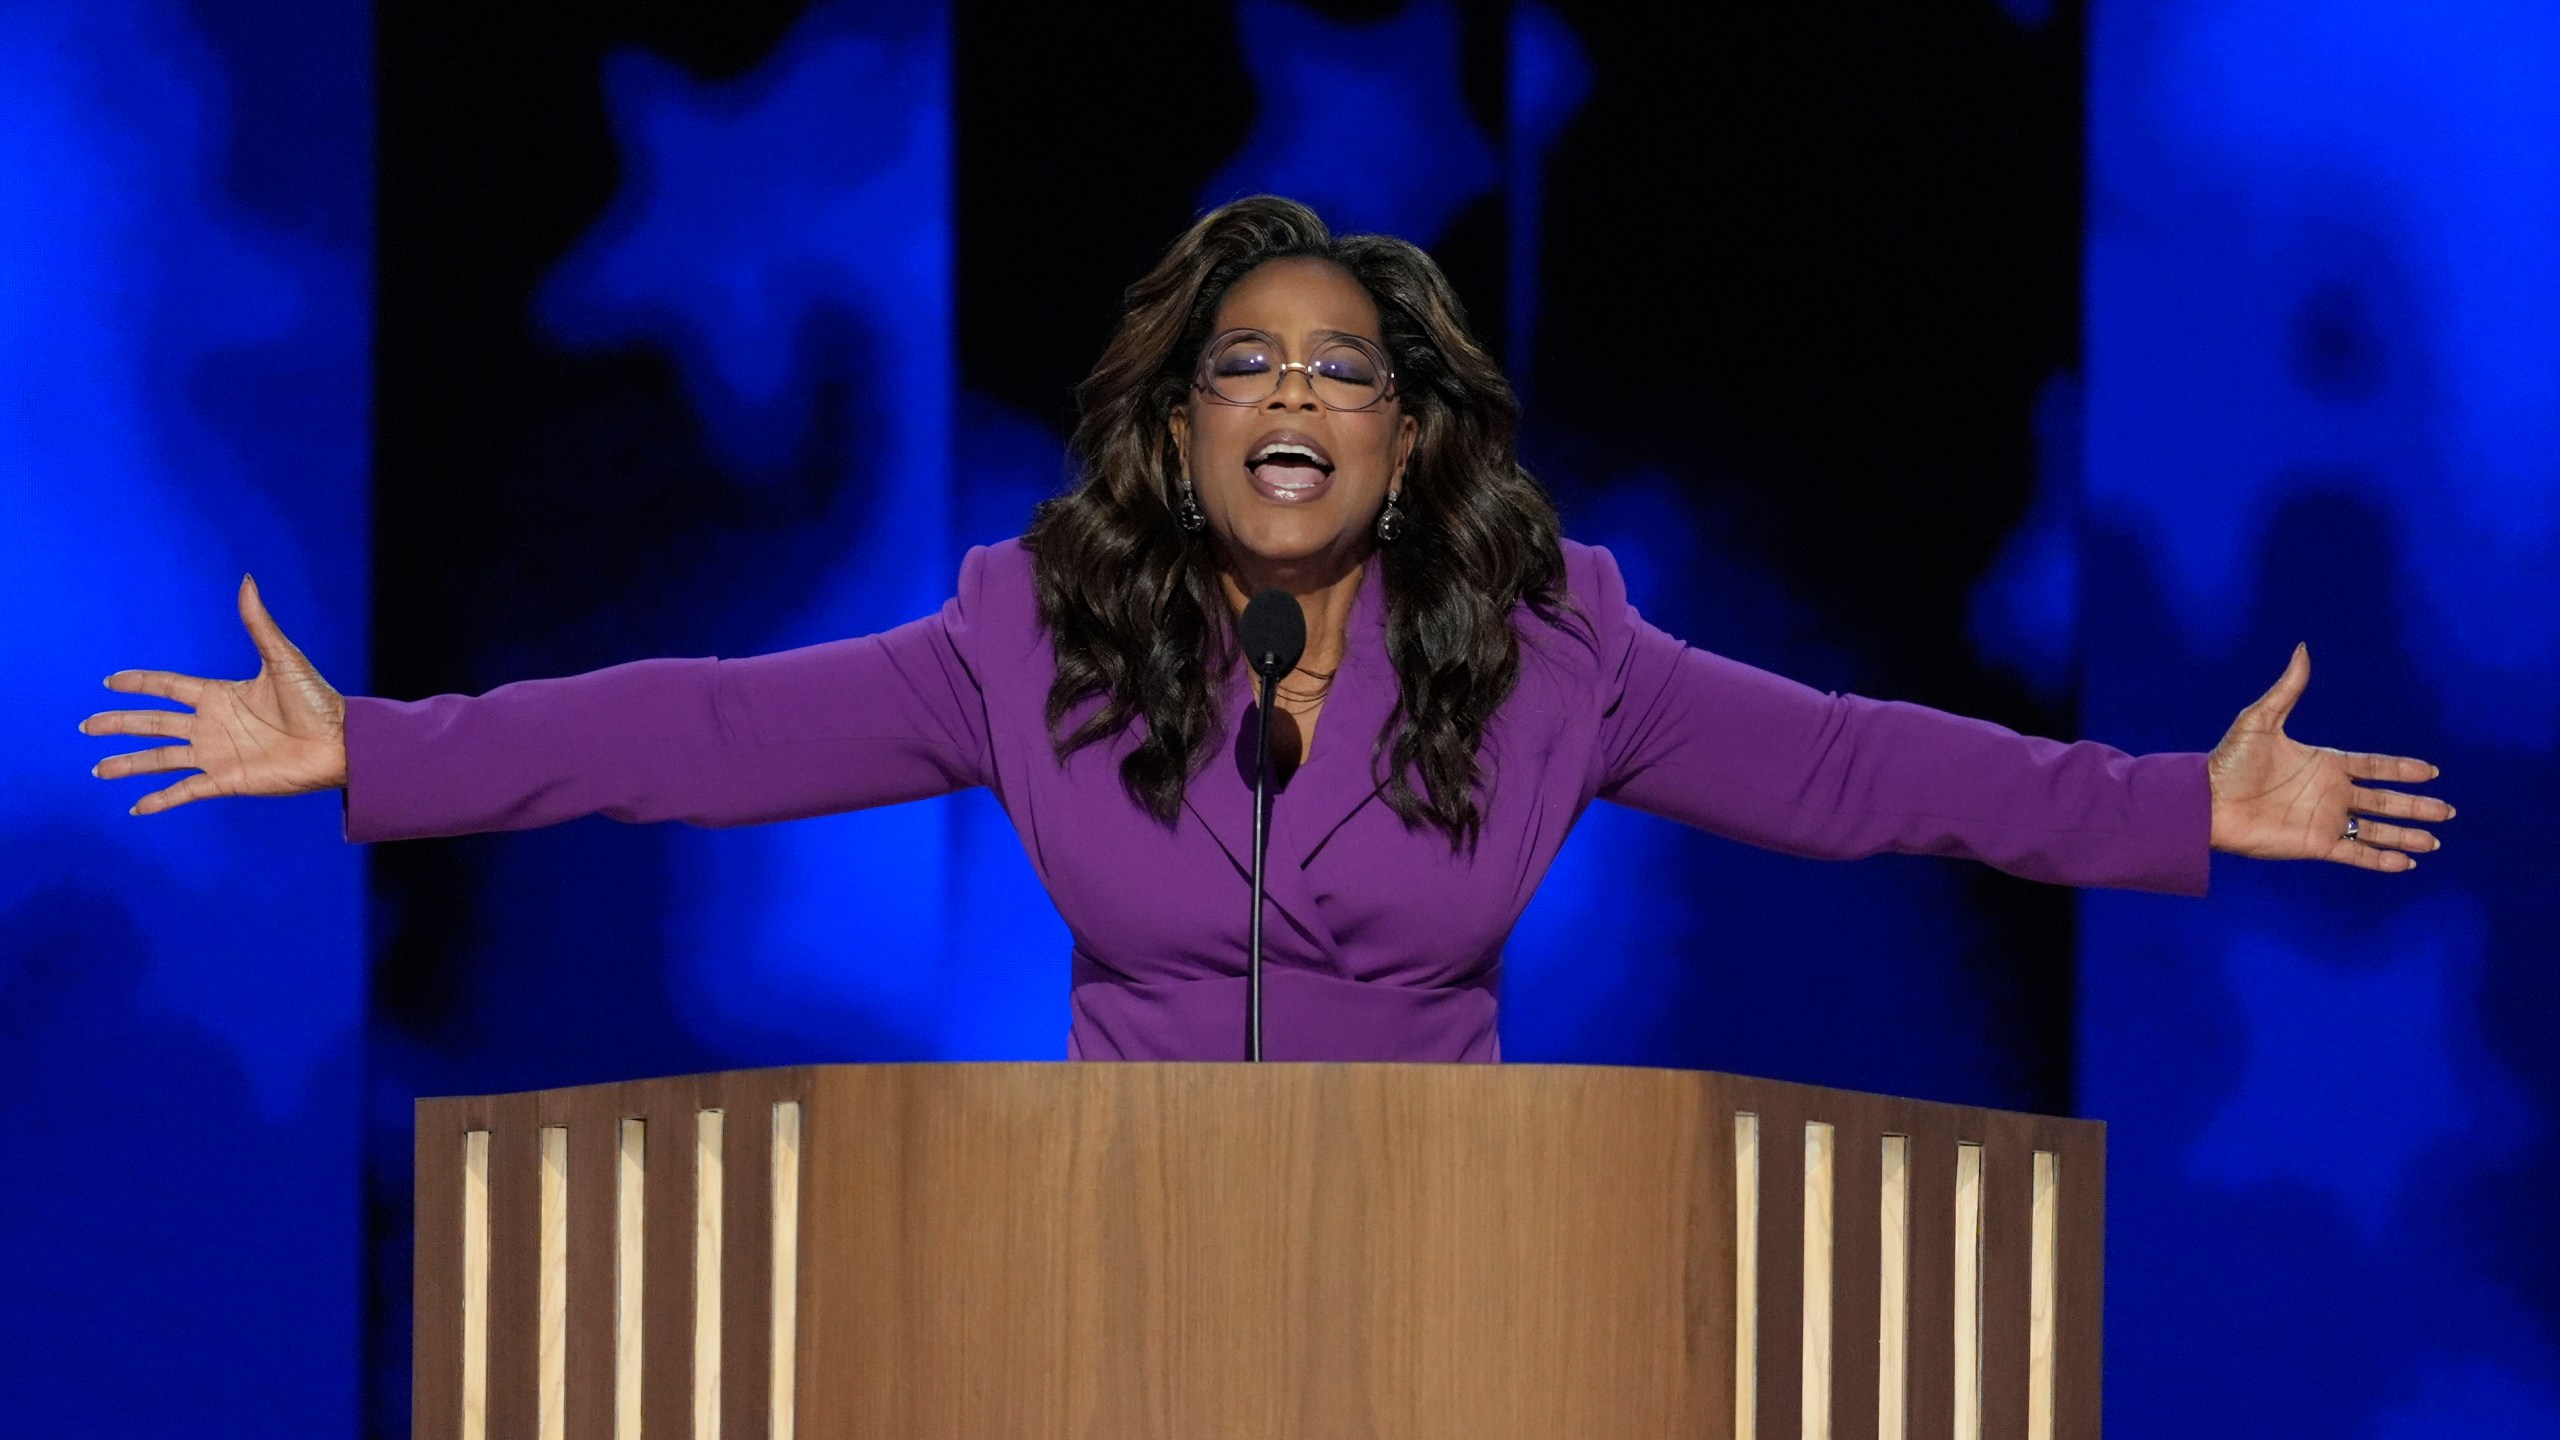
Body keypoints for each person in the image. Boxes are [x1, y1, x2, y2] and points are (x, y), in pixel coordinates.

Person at [80, 196, 2452, 1062]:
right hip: (1111, 1285)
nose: (1295, 393)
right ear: (1179, 429)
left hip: (1461, 1292)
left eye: (1346, 367)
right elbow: (693, 725)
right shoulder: (1021, 638)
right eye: (1246, 363)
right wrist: (375, 752)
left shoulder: (1560, 652)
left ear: (1412, 441)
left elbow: (1856, 768)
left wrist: (2175, 802)